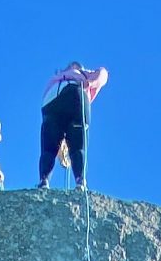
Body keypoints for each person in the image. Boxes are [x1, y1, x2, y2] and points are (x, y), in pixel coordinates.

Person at [37, 62, 108, 190]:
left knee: (72, 142)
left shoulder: (83, 74)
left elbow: (103, 73)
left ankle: (76, 179)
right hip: (58, 101)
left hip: (57, 101)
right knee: (53, 144)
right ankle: (46, 179)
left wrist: (91, 82)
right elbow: (102, 74)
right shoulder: (71, 75)